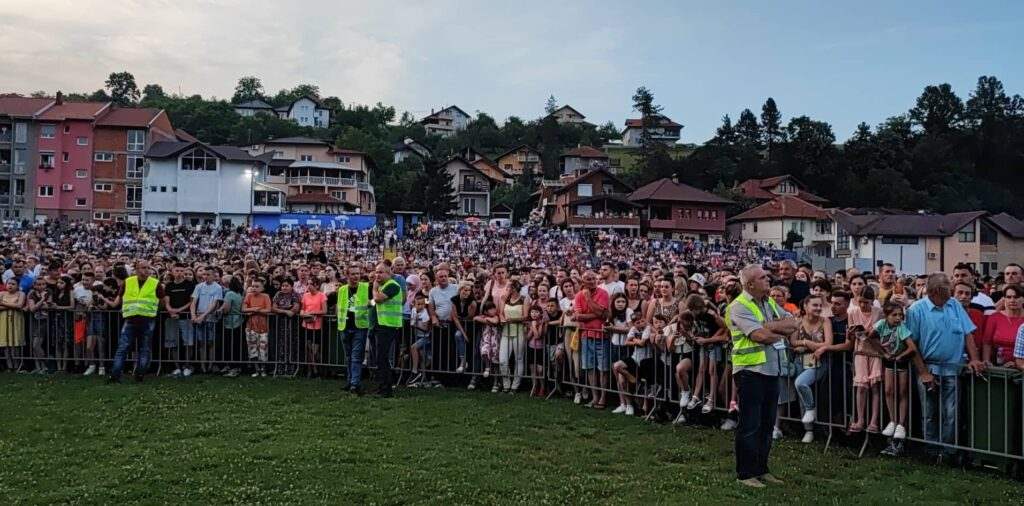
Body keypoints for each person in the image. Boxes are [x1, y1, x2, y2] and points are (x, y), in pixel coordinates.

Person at [726, 264, 799, 488]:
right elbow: (759, 335)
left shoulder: (768, 303)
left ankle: (761, 468)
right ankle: (746, 473)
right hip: (750, 371)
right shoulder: (738, 306)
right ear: (750, 284)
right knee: (750, 424)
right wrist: (776, 331)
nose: (768, 280)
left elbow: (793, 323)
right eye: (763, 277)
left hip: (771, 369)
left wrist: (770, 326)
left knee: (767, 424)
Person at [906, 272, 986, 461]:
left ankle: (948, 452)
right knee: (929, 413)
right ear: (933, 292)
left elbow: (968, 334)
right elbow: (911, 345)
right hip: (929, 369)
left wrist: (974, 359)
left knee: (951, 414)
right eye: (946, 292)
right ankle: (931, 451)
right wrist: (924, 372)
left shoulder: (954, 305)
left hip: (953, 369)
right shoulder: (916, 310)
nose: (951, 295)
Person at [871, 302, 920, 456]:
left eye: (900, 315)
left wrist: (900, 356)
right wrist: (883, 352)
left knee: (902, 393)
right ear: (886, 315)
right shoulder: (881, 324)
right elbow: (870, 337)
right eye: (894, 315)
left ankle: (901, 424)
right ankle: (893, 421)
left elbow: (912, 348)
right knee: (889, 391)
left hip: (901, 363)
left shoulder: (902, 328)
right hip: (889, 361)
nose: (898, 318)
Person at [109, 260, 162, 383]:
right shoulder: (127, 282)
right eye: (143, 268)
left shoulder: (155, 283)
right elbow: (120, 298)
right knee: (123, 348)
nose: (146, 270)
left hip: (147, 319)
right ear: (137, 269)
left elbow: (162, 300)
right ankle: (115, 375)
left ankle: (140, 375)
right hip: (131, 319)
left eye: (148, 268)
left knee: (144, 349)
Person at [789, 294, 833, 443]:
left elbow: (828, 343)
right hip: (799, 361)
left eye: (820, 305)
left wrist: (806, 343)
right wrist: (806, 343)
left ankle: (810, 410)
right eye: (814, 305)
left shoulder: (825, 321)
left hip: (819, 362)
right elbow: (793, 342)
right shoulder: (798, 321)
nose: (818, 308)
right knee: (802, 394)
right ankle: (808, 430)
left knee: (801, 383)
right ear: (805, 306)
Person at [848, 285, 883, 433]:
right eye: (860, 301)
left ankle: (874, 420)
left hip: (875, 351)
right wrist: (852, 332)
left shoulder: (879, 313)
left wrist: (869, 333)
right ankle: (860, 419)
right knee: (861, 386)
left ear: (872, 301)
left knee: (875, 386)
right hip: (860, 351)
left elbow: (881, 332)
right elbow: (849, 336)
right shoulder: (852, 312)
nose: (863, 305)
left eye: (866, 302)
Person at [575, 271, 610, 409]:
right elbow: (578, 316)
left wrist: (589, 300)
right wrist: (595, 314)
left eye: (593, 278)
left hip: (601, 336)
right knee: (589, 368)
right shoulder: (578, 295)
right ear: (583, 281)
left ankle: (603, 397)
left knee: (603, 368)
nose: (591, 281)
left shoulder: (603, 293)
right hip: (586, 336)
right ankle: (594, 397)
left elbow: (602, 314)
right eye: (588, 279)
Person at [370, 261, 403, 397]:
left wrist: (374, 287)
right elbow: (373, 302)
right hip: (382, 325)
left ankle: (386, 389)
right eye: (376, 272)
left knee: (382, 358)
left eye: (381, 272)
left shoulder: (393, 286)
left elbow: (377, 299)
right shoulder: (384, 286)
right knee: (380, 358)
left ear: (389, 273)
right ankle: (382, 386)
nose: (377, 275)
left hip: (388, 325)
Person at [336, 262, 370, 393]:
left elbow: (375, 301)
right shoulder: (342, 289)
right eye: (353, 274)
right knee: (348, 356)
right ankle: (350, 381)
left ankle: (355, 383)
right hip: (344, 326)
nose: (356, 276)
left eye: (358, 274)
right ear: (347, 275)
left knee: (356, 356)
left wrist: (369, 304)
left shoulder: (366, 287)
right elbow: (339, 306)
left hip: (359, 326)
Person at [163, 263, 196, 378]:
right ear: (172, 271)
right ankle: (176, 367)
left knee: (188, 343)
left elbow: (191, 301)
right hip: (171, 318)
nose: (180, 273)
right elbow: (166, 301)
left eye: (182, 271)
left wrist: (178, 311)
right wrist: (171, 311)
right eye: (177, 270)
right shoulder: (169, 286)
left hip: (185, 318)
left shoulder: (190, 285)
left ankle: (187, 366)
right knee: (172, 343)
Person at [189, 267, 224, 374]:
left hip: (210, 318)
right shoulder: (199, 286)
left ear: (213, 276)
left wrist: (202, 316)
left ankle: (211, 365)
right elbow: (193, 302)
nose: (206, 276)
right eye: (204, 274)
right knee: (201, 343)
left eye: (208, 274)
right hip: (199, 317)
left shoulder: (217, 288)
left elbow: (214, 304)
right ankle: (203, 366)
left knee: (211, 342)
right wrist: (193, 315)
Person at [980, 284, 1024, 367]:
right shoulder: (994, 317)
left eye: (1016, 297)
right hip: (997, 367)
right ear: (1004, 299)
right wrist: (986, 361)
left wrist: (1017, 364)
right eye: (1009, 297)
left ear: (1023, 299)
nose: (1012, 300)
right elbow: (987, 343)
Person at [242, 278, 272, 377]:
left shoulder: (266, 296)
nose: (254, 288)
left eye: (257, 286)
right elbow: (243, 309)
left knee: (263, 349)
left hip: (263, 327)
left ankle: (263, 369)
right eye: (253, 286)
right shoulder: (248, 296)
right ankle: (256, 369)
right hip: (250, 327)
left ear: (262, 288)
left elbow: (268, 309)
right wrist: (255, 309)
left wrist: (254, 311)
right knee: (252, 348)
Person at [300, 281, 327, 377]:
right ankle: (312, 371)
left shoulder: (322, 295)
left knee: (315, 351)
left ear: (316, 285)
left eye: (311, 284)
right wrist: (303, 313)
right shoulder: (305, 295)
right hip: (306, 325)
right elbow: (302, 308)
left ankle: (316, 370)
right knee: (308, 350)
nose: (308, 285)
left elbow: (324, 310)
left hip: (317, 326)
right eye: (308, 284)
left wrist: (312, 313)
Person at [1, 279, 26, 371]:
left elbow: (19, 305)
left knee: (15, 343)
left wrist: (3, 303)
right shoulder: (2, 293)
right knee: (6, 343)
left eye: (13, 284)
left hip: (16, 319)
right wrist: (12, 305)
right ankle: (9, 366)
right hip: (3, 319)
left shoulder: (21, 294)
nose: (10, 285)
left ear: (18, 285)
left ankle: (17, 365)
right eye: (9, 283)